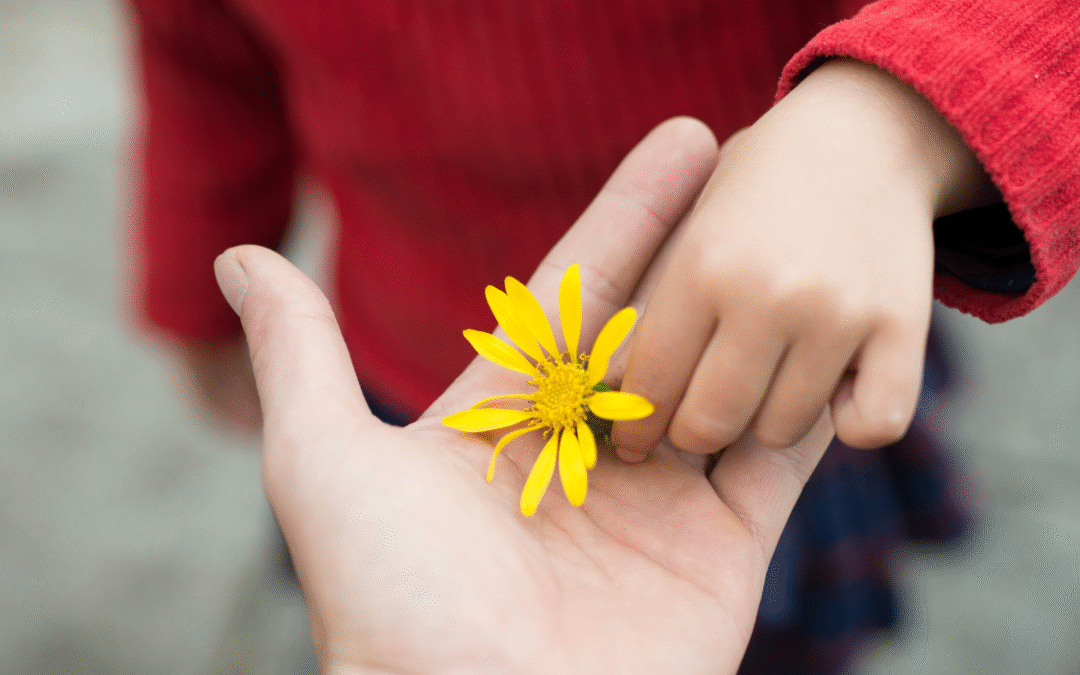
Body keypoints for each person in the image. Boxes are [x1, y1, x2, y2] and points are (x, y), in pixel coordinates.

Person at [127, 0, 1080, 672]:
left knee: (766, 632)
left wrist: (892, 124)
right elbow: (199, 69)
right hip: (432, 390)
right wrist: (198, 301)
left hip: (746, 379)